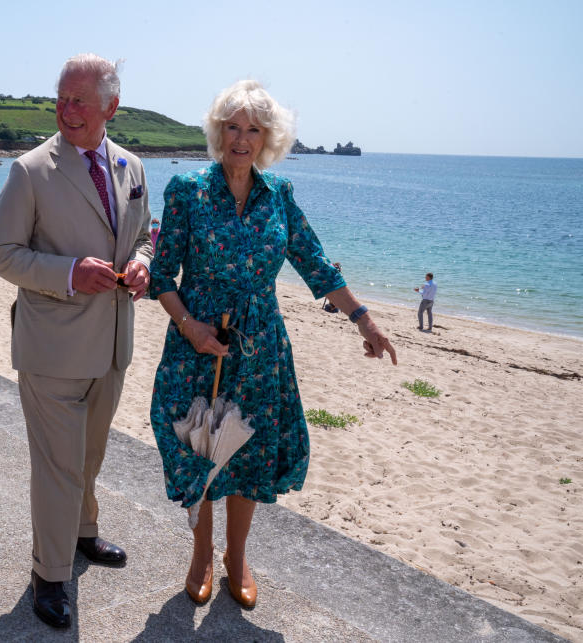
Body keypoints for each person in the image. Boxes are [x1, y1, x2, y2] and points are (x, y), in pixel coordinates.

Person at [148, 80, 397, 609]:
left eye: (253, 129)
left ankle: (237, 559)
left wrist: (364, 319)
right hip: (198, 343)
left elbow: (314, 262)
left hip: (261, 350)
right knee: (198, 448)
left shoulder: (279, 196)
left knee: (248, 455)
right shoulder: (187, 190)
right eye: (232, 127)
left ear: (268, 138)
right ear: (219, 133)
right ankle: (201, 555)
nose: (241, 139)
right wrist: (191, 325)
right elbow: (162, 276)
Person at [0, 53, 153, 629]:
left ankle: (83, 535)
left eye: (80, 99)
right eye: (61, 98)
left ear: (111, 105)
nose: (67, 109)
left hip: (111, 346)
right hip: (51, 348)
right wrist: (67, 273)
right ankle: (50, 574)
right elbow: (0, 253)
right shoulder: (29, 171)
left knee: (89, 457)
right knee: (57, 466)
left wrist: (144, 269)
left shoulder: (131, 166)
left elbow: (146, 239)